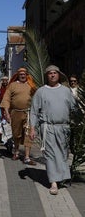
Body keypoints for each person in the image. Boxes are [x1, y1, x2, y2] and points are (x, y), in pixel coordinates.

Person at [29, 65, 75, 195]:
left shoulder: (66, 91)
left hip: (64, 127)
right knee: (50, 154)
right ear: (47, 76)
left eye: (55, 73)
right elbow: (34, 111)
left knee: (62, 153)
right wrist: (32, 128)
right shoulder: (41, 91)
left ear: (59, 75)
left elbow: (74, 108)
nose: (53, 75)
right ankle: (53, 182)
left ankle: (61, 177)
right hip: (47, 127)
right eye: (50, 73)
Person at [0, 67, 37, 165]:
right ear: (17, 75)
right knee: (16, 134)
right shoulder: (12, 85)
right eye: (21, 74)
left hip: (28, 113)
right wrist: (7, 113)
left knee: (28, 135)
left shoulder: (31, 85)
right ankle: (16, 152)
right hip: (15, 113)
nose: (23, 75)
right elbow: (6, 99)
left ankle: (27, 157)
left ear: (27, 75)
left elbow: (37, 98)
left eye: (24, 74)